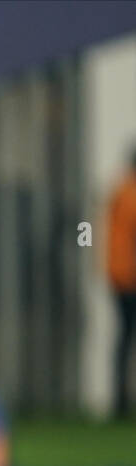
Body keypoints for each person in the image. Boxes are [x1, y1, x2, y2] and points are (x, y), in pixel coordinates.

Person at [105, 148, 136, 419]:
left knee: (124, 336)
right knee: (127, 336)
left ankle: (120, 399)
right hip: (129, 276)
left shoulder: (121, 189)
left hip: (118, 274)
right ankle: (121, 401)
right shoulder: (131, 193)